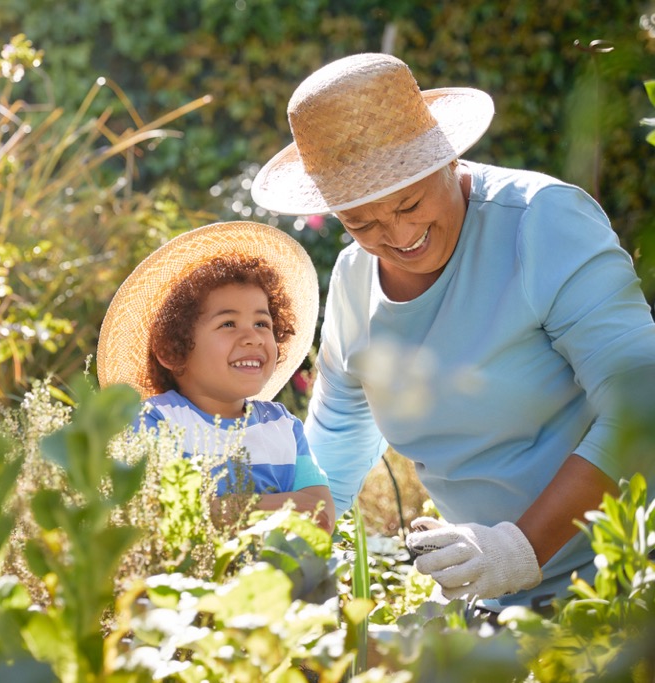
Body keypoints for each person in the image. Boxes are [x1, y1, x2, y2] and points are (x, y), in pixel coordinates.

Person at [251, 52, 655, 612]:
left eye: (410, 203)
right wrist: (290, 556)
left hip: (628, 575)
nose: (398, 234)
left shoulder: (541, 223)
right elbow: (340, 434)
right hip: (494, 595)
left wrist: (517, 549)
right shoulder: (352, 279)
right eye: (361, 223)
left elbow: (641, 404)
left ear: (446, 157)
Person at [97, 221, 335, 533]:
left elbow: (321, 514)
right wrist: (284, 505)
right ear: (173, 351)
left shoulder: (283, 427)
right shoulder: (155, 422)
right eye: (228, 324)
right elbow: (164, 515)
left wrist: (224, 508)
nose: (253, 337)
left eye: (263, 324)